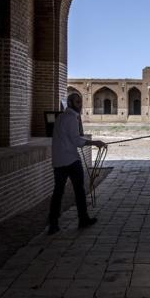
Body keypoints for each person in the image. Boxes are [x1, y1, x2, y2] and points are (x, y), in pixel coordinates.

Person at [47, 93, 105, 234]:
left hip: (58, 161)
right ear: (71, 103)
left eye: (80, 102)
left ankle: (53, 224)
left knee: (58, 192)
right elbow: (77, 141)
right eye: (77, 102)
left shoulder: (60, 117)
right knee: (79, 190)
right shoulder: (72, 118)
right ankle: (83, 219)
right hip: (71, 160)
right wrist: (95, 142)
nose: (80, 105)